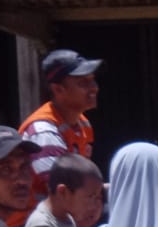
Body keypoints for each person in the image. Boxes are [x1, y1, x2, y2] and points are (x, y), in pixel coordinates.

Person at [19, 48, 101, 195]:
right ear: (58, 89)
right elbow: (62, 193)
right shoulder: (43, 131)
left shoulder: (83, 123)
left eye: (93, 80)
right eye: (83, 83)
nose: (94, 88)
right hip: (37, 216)